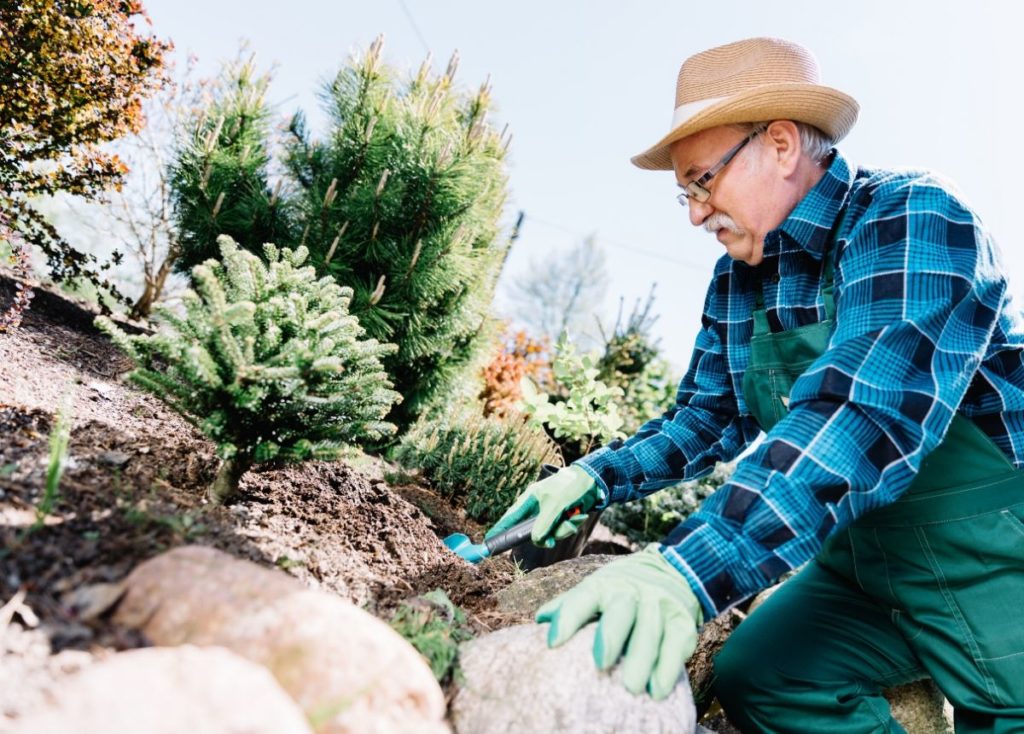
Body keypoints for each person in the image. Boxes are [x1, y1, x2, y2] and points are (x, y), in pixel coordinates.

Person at [486, 36, 1024, 731]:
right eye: (682, 193)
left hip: (991, 558)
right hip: (866, 569)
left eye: (702, 181)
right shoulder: (738, 283)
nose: (693, 214)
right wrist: (594, 478)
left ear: (778, 144)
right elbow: (704, 421)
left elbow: (861, 418)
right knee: (761, 679)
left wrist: (686, 570)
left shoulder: (912, 219)